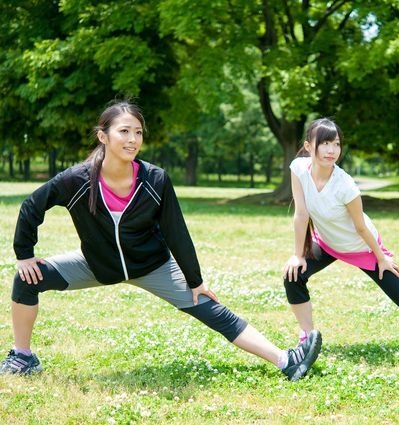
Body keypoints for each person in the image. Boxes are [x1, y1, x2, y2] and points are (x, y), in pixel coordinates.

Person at [1, 100, 321, 381]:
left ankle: (286, 361)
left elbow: (175, 231)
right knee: (27, 280)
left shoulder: (155, 179)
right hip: (98, 264)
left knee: (209, 307)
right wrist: (25, 254)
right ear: (103, 136)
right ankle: (23, 357)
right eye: (124, 131)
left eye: (138, 132)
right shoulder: (77, 180)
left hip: (152, 265)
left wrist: (195, 280)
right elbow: (32, 206)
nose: (133, 139)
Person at [283, 118, 399, 345]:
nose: (332, 150)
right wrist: (298, 255)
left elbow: (360, 227)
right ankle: (307, 337)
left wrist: (382, 258)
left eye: (336, 144)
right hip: (328, 243)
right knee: (293, 275)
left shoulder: (345, 185)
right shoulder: (298, 169)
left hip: (361, 246)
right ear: (309, 146)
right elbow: (301, 214)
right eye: (325, 143)